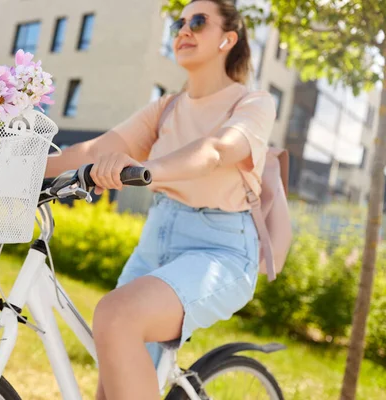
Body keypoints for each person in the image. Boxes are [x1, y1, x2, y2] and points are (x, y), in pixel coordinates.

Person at [44, 1, 277, 398]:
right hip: (156, 241)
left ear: (228, 39)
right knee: (113, 387)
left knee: (116, 316)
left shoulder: (252, 103)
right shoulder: (166, 107)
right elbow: (94, 150)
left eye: (198, 22)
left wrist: (145, 168)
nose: (184, 29)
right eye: (179, 22)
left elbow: (216, 151)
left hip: (219, 249)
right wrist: (10, 165)